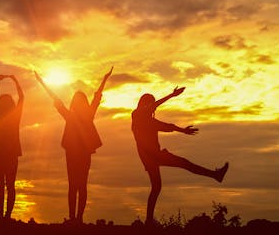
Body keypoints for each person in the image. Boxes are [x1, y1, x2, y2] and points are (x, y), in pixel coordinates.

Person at [131, 86, 229, 226]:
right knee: (183, 164)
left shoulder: (151, 121)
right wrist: (171, 95)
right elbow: (154, 110)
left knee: (157, 186)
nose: (153, 107)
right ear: (144, 104)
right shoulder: (136, 115)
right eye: (150, 103)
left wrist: (182, 130)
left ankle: (148, 220)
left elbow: (167, 126)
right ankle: (215, 175)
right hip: (152, 156)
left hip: (150, 157)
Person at [35, 67, 112, 224]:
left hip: (76, 153)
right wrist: (42, 83)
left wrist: (105, 79)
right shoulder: (81, 115)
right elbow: (58, 100)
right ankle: (75, 218)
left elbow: (95, 97)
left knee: (76, 186)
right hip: (78, 153)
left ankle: (76, 218)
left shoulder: (76, 115)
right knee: (79, 185)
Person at [0, 75, 24, 219]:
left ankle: (1, 216)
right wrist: (15, 81)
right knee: (10, 186)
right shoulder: (15, 115)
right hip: (10, 154)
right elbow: (22, 98)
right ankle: (7, 216)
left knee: (0, 187)